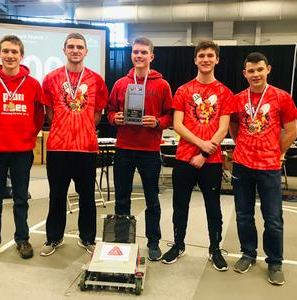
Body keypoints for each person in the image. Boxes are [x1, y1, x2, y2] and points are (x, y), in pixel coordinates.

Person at [161, 40, 233, 270]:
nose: (205, 59)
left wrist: (204, 151)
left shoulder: (224, 93)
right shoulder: (183, 90)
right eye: (201, 55)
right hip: (184, 159)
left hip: (211, 161)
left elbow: (223, 129)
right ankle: (178, 244)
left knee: (214, 207)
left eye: (210, 55)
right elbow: (178, 125)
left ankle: (215, 249)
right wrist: (201, 143)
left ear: (217, 59)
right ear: (195, 59)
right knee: (180, 205)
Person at [0, 35, 44, 264]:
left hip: (21, 151)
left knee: (21, 198)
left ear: (21, 56)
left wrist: (28, 135)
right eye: (6, 51)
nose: (10, 55)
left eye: (14, 51)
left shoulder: (33, 84)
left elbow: (39, 115)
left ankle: (22, 239)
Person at [229, 52, 297, 285]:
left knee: (273, 218)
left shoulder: (282, 97)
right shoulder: (239, 99)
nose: (255, 74)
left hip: (269, 166)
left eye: (259, 69)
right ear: (245, 73)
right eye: (251, 70)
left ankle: (275, 261)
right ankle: (248, 253)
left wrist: (275, 151)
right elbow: (234, 126)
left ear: (267, 69)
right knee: (243, 214)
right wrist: (243, 144)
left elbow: (292, 131)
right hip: (242, 165)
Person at [40, 33, 108, 256]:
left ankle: (87, 238)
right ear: (64, 50)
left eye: (80, 47)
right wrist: (66, 125)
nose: (75, 50)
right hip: (58, 148)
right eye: (71, 46)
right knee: (56, 195)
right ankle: (53, 238)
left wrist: (82, 126)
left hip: (86, 148)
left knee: (87, 196)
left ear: (86, 51)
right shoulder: (51, 78)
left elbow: (97, 113)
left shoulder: (96, 80)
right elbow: (49, 112)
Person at [107, 36, 173, 261]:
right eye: (135, 52)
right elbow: (109, 111)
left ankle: (153, 241)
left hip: (149, 151)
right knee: (121, 198)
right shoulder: (120, 84)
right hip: (124, 149)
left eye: (144, 52)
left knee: (152, 199)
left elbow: (169, 116)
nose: (139, 55)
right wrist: (114, 118)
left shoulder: (162, 85)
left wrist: (157, 122)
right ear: (131, 55)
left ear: (151, 56)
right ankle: (122, 241)